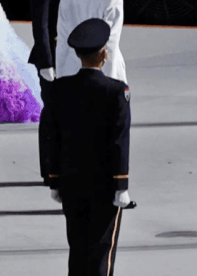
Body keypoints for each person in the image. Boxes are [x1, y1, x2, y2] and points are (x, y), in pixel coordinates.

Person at [46, 18, 132, 276]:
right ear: (104, 53)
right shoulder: (116, 91)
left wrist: (54, 180)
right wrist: (121, 186)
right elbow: (119, 141)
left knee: (78, 250)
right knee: (101, 253)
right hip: (104, 188)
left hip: (72, 185)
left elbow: (52, 136)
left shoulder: (60, 89)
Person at [28, 0, 61, 184]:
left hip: (64, 55)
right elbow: (40, 23)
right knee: (51, 113)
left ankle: (56, 167)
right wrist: (47, 61)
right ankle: (49, 169)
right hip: (50, 57)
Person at [56, 0, 128, 83]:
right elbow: (110, 43)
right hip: (102, 72)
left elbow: (63, 39)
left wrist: (60, 71)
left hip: (70, 69)